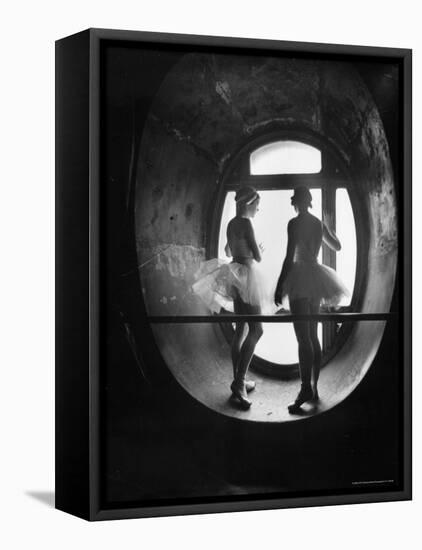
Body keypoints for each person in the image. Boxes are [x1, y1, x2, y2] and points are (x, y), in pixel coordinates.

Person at [193, 186, 270, 410]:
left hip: (234, 272)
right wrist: (259, 249)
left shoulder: (230, 224)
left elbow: (227, 251)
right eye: (257, 204)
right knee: (258, 330)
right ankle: (239, 383)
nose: (258, 209)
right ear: (249, 203)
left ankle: (240, 381)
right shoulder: (246, 223)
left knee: (241, 330)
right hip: (246, 274)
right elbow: (257, 256)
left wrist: (240, 248)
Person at [275, 186, 348, 414]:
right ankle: (314, 388)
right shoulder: (318, 223)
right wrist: (329, 227)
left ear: (295, 202)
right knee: (313, 337)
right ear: (310, 201)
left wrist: (279, 285)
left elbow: (289, 257)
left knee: (302, 338)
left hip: (299, 277)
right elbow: (337, 246)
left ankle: (305, 388)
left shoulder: (294, 224)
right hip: (316, 277)